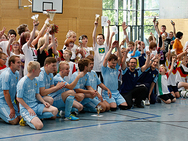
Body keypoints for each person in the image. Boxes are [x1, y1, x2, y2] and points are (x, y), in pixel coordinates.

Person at [17, 61, 58, 130]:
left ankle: (35, 117)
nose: (40, 71)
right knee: (39, 126)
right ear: (34, 70)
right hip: (26, 109)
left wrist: (44, 102)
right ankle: (25, 119)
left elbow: (37, 94)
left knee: (55, 111)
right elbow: (19, 98)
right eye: (39, 69)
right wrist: (29, 108)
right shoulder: (23, 82)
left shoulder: (35, 80)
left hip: (35, 106)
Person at [102, 41, 128, 110]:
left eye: (115, 63)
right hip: (108, 92)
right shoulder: (104, 69)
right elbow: (105, 58)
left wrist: (118, 48)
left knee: (125, 106)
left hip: (116, 92)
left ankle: (115, 101)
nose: (114, 65)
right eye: (113, 63)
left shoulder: (116, 68)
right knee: (113, 107)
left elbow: (120, 57)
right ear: (108, 62)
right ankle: (106, 100)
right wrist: (111, 48)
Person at [0, 56, 21, 124]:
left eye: (20, 62)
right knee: (14, 121)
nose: (20, 64)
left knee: (21, 117)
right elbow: (6, 93)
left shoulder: (17, 73)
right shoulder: (6, 74)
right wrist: (11, 108)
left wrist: (18, 105)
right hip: (2, 101)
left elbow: (17, 91)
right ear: (11, 63)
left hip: (10, 101)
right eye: (18, 62)